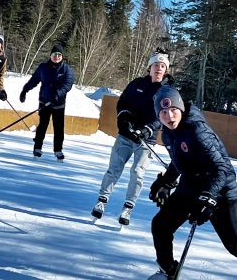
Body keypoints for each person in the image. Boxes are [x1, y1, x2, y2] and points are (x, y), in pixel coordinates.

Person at [149, 85, 237, 278]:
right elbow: (179, 161)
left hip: (221, 191)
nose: (170, 116)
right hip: (192, 186)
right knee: (161, 225)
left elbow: (220, 168)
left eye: (173, 110)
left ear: (180, 109)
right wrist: (165, 181)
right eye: (163, 112)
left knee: (234, 244)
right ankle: (168, 271)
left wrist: (209, 197)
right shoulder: (168, 133)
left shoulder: (197, 130)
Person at [91, 48, 173, 225]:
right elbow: (123, 103)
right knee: (114, 169)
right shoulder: (136, 84)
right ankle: (101, 201)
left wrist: (148, 129)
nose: (158, 69)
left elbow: (164, 115)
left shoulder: (166, 92)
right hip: (126, 135)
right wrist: (124, 118)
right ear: (149, 68)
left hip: (146, 140)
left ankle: (128, 208)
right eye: (155, 65)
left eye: (162, 66)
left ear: (166, 70)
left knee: (137, 172)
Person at [19, 43, 74, 161]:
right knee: (42, 126)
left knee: (58, 128)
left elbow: (67, 85)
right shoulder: (43, 67)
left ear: (62, 56)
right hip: (44, 102)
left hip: (58, 104)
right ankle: (37, 147)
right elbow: (34, 80)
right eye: (54, 54)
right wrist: (25, 90)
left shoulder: (67, 69)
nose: (57, 57)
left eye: (59, 55)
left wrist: (57, 94)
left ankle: (58, 150)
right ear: (50, 55)